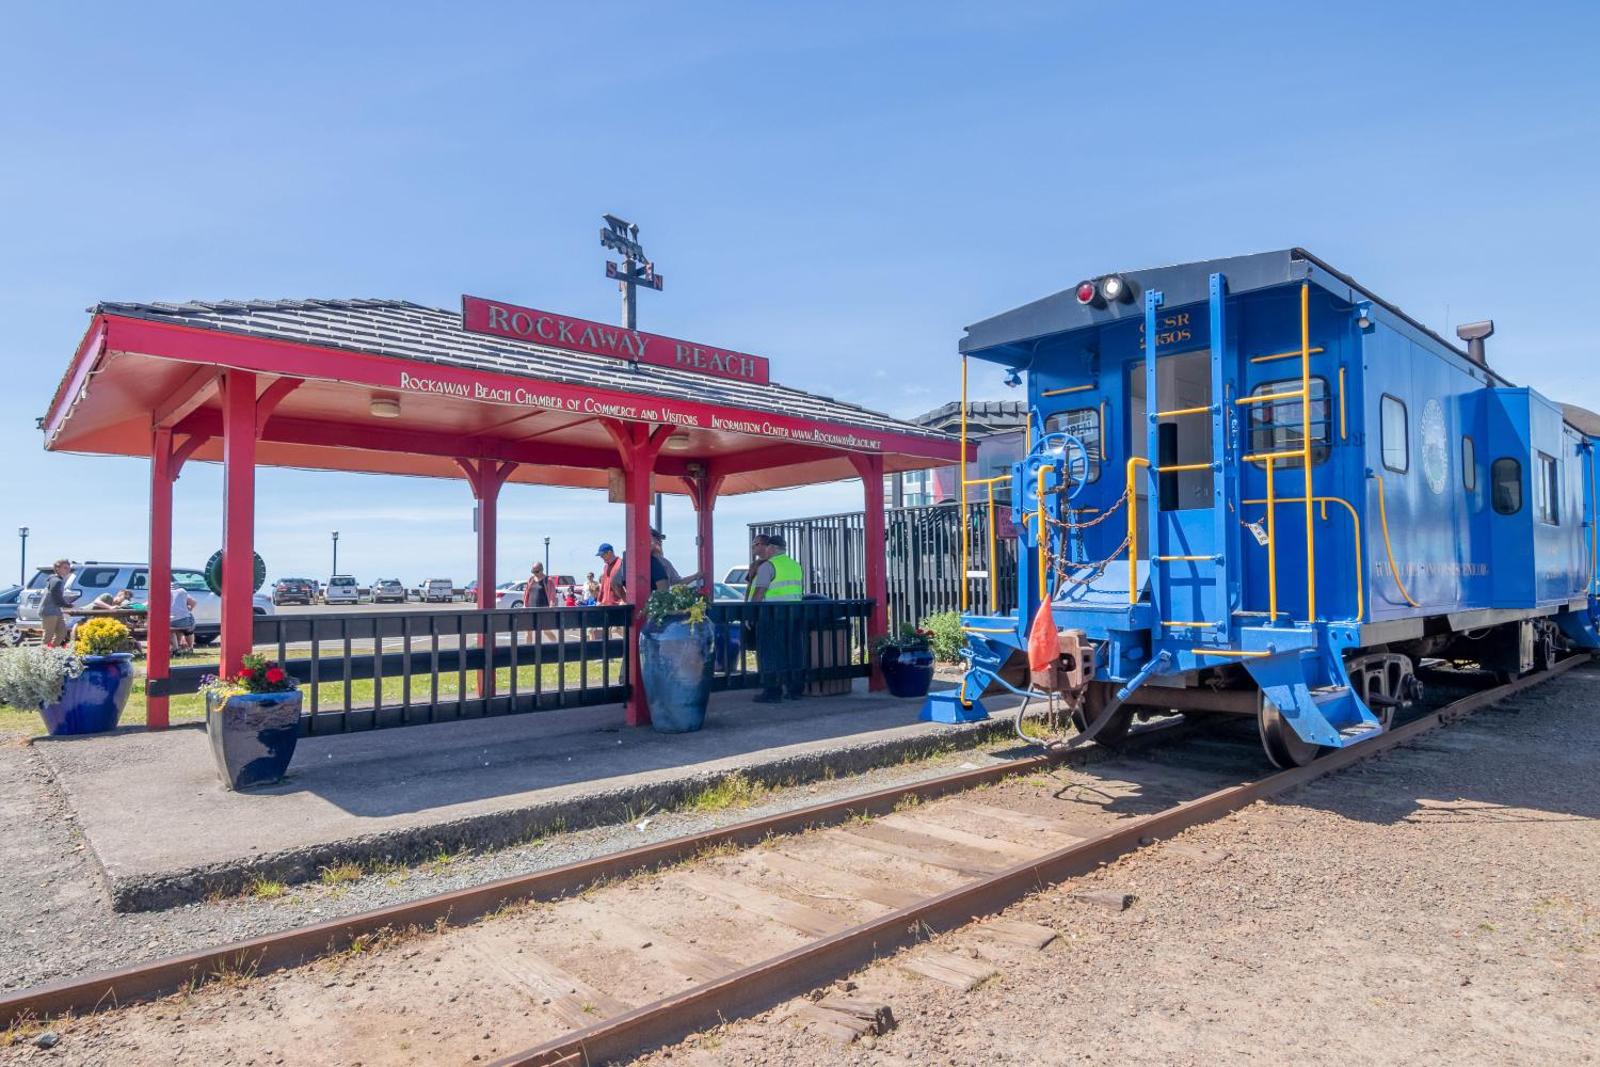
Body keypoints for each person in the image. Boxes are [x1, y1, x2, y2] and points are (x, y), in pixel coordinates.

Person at [749, 533, 806, 702]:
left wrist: (751, 613)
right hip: (794, 614)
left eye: (766, 547)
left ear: (772, 548)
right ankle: (795, 689)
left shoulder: (768, 566)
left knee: (769, 653)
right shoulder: (795, 565)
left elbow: (760, 592)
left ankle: (772, 691)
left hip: (771, 615)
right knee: (793, 651)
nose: (764, 550)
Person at [39, 559, 73, 647]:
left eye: (68, 568)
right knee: (48, 636)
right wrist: (67, 605)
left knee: (62, 633)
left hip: (56, 611)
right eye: (65, 568)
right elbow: (56, 596)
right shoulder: (56, 581)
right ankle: (43, 656)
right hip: (49, 611)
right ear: (57, 568)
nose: (68, 570)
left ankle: (51, 652)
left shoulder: (57, 579)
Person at [169, 582, 197, 655]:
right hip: (184, 620)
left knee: (171, 628)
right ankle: (190, 647)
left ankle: (176, 648)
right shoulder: (182, 591)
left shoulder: (163, 591)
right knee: (189, 626)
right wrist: (189, 610)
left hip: (170, 620)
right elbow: (193, 603)